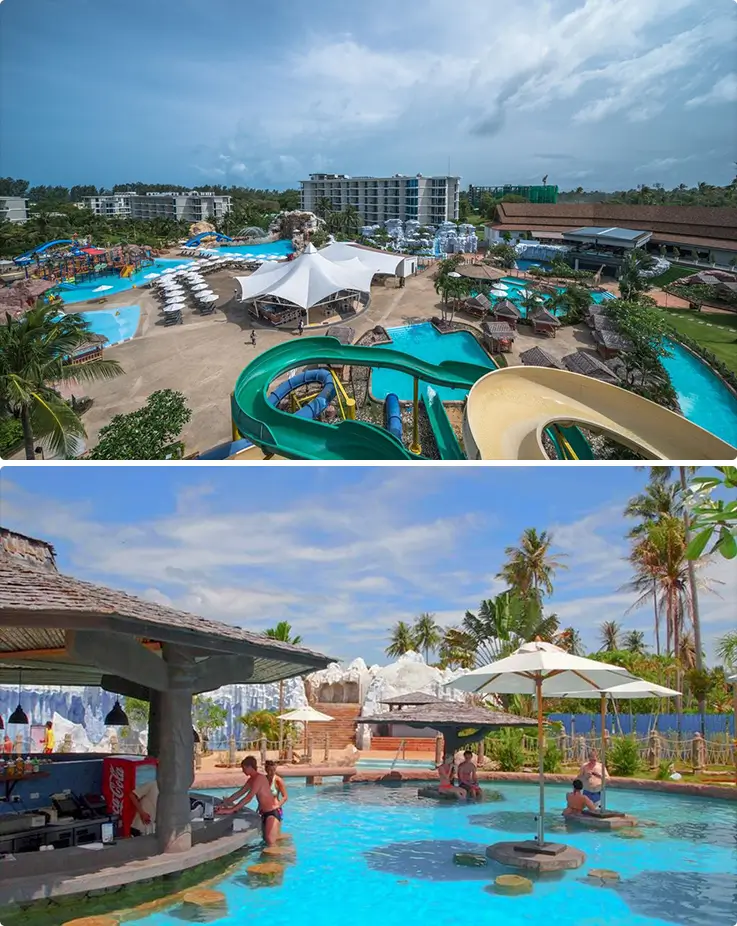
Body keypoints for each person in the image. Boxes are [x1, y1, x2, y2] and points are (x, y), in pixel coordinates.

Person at [217, 756, 281, 844]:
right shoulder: (252, 779)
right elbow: (240, 793)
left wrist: (230, 810)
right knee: (265, 841)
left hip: (272, 813)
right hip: (264, 813)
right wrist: (225, 802)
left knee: (271, 842)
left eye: (244, 768)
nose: (243, 771)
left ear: (250, 767)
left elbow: (248, 797)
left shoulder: (259, 778)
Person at [264, 759, 288, 826]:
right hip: (264, 809)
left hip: (275, 809)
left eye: (273, 770)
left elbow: (285, 797)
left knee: (275, 832)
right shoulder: (263, 779)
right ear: (266, 770)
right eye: (270, 770)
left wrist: (277, 806)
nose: (272, 772)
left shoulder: (278, 780)